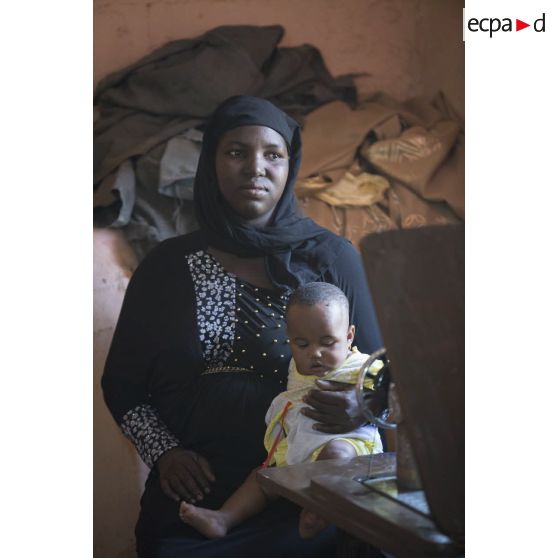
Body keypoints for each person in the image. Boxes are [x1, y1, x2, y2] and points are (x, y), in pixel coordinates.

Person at [101, 95, 385, 558]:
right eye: (236, 152)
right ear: (211, 161)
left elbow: (383, 371)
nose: (255, 167)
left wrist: (364, 404)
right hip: (197, 501)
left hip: (312, 495)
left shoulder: (331, 257)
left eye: (273, 154)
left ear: (289, 167)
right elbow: (122, 385)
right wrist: (164, 454)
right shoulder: (166, 266)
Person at [178, 281, 385, 540]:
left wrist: (373, 398)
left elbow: (393, 391)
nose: (315, 354)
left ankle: (316, 510)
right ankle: (222, 518)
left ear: (349, 335)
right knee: (261, 478)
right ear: (290, 339)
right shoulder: (295, 368)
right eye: (302, 344)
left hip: (348, 447)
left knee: (336, 454)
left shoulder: (363, 367)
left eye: (327, 342)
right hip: (297, 448)